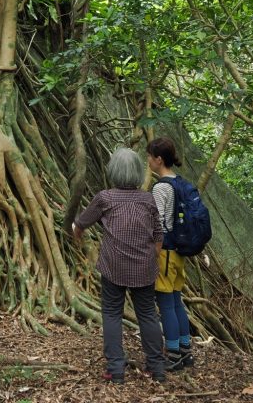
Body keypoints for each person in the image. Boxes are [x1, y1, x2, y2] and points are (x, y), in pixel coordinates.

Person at [73, 147, 167, 384]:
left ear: (113, 171)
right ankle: (157, 368)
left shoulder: (105, 197)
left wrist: (77, 238)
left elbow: (80, 224)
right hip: (144, 268)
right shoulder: (147, 199)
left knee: (112, 314)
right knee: (147, 314)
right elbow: (158, 235)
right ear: (137, 172)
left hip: (113, 266)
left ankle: (116, 369)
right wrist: (151, 257)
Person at [147, 135, 195, 371]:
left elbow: (156, 224)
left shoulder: (161, 188)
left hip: (164, 252)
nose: (147, 161)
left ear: (158, 159)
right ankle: (186, 352)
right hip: (179, 253)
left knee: (166, 304)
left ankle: (174, 355)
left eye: (149, 156)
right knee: (177, 302)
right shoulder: (181, 183)